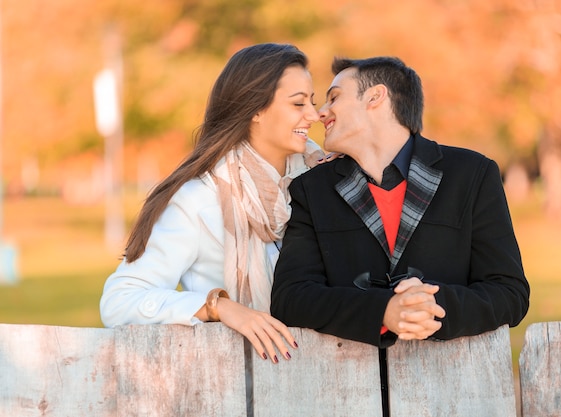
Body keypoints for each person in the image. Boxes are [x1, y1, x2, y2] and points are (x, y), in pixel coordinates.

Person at [271, 56, 530, 348]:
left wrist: (431, 306)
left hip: (453, 382)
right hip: (347, 382)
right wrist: (382, 311)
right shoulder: (312, 188)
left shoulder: (472, 174)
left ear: (375, 97)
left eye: (334, 98)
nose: (321, 112)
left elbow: (510, 293)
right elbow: (290, 298)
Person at [100, 43, 325, 363]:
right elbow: (119, 301)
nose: (313, 115)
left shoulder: (321, 182)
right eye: (298, 103)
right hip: (232, 379)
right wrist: (219, 307)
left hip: (326, 372)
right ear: (256, 110)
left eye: (313, 103)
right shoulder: (197, 200)